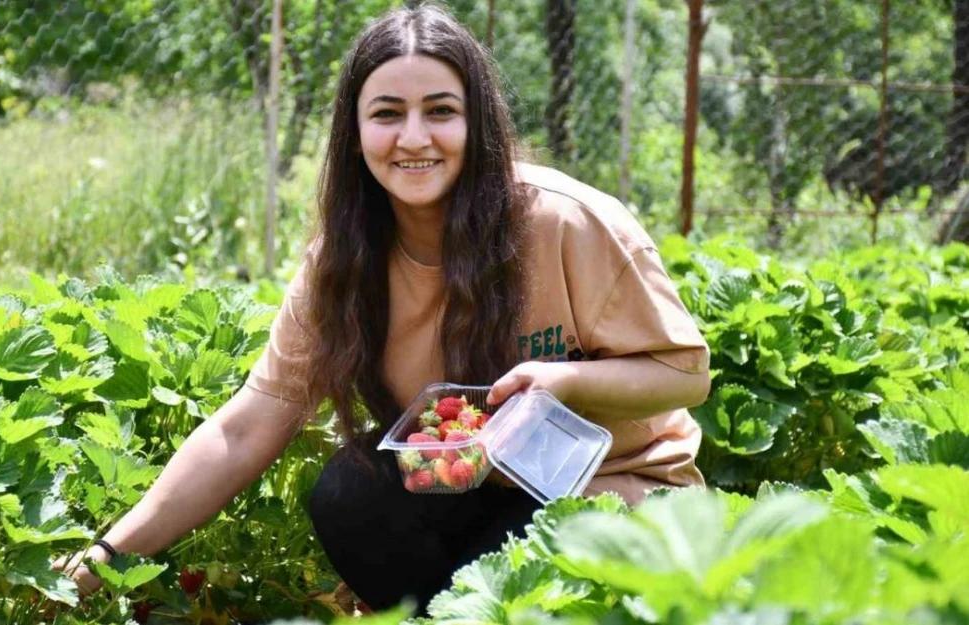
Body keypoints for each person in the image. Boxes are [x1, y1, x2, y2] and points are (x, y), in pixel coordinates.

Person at [54, 1, 711, 615]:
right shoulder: (347, 259)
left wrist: (564, 380)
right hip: (464, 487)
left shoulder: (567, 223)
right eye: (388, 113)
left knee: (514, 571)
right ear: (356, 129)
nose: (414, 137)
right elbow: (245, 427)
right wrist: (109, 554)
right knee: (352, 492)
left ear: (476, 121)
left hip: (603, 490)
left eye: (441, 111)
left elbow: (685, 375)